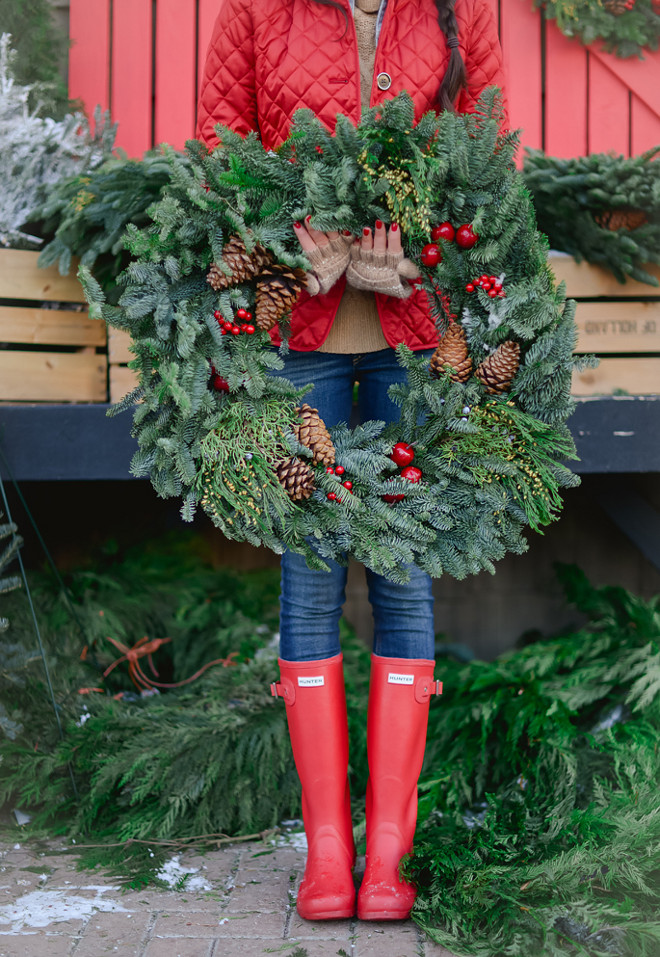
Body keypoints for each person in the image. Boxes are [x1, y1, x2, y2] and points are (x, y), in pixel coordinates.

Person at [197, 0, 506, 922]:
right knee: (310, 572)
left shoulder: (460, 11)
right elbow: (223, 152)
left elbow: (489, 171)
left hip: (418, 336)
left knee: (405, 575)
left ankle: (389, 856)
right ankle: (329, 850)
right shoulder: (257, 11)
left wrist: (405, 265)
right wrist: (293, 252)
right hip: (300, 335)